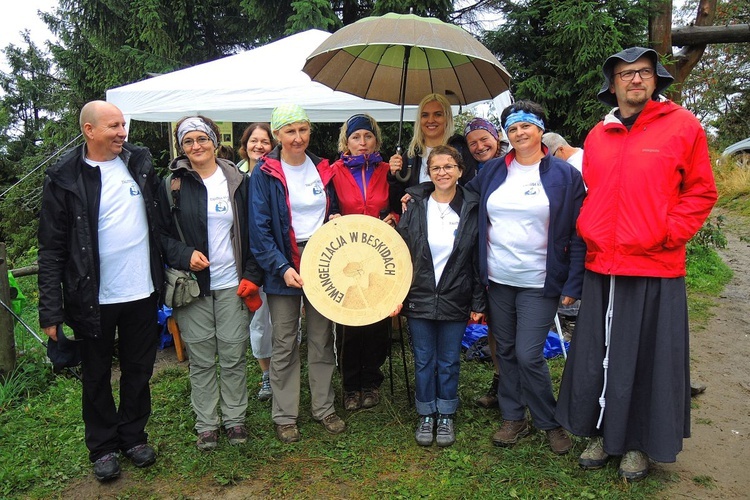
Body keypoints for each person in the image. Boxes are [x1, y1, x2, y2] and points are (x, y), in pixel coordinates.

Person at [555, 47, 718, 481]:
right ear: (612, 85)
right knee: (598, 355)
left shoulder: (682, 127)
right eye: (625, 74)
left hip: (654, 265)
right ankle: (601, 433)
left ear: (656, 79)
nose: (635, 80)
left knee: (647, 358)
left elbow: (701, 192)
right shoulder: (598, 135)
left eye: (643, 73)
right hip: (602, 263)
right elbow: (592, 193)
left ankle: (639, 445)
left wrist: (667, 234)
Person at [37, 100, 162, 482]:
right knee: (96, 375)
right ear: (89, 130)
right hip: (92, 296)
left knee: (139, 370)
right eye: (113, 126)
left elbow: (161, 219)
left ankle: (133, 436)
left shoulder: (137, 163)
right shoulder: (64, 177)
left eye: (123, 124)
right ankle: (103, 446)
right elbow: (51, 249)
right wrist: (51, 311)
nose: (122, 132)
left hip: (141, 290)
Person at [466, 100, 585, 455]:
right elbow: (462, 198)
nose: (519, 133)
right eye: (512, 128)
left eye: (526, 126)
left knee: (529, 353)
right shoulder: (492, 172)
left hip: (540, 280)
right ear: (507, 134)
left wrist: (573, 283)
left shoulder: (564, 175)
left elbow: (579, 233)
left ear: (540, 130)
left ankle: (549, 422)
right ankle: (513, 417)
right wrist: (417, 192)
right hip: (498, 279)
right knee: (504, 350)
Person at [157, 115, 260, 451]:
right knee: (201, 358)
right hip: (193, 285)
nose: (196, 146)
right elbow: (159, 235)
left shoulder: (237, 180)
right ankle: (206, 425)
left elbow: (253, 231)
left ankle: (234, 420)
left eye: (202, 139)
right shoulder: (172, 183)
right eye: (188, 141)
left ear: (215, 141)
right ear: (181, 147)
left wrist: (251, 274)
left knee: (232, 354)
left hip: (232, 283)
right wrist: (185, 254)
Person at [248, 104, 345, 443]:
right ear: (277, 135)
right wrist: (282, 267)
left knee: (322, 338)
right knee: (285, 341)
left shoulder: (322, 167)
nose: (298, 137)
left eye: (303, 130)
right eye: (290, 131)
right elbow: (259, 231)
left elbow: (332, 206)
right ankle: (285, 414)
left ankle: (324, 407)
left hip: (322, 262)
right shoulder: (264, 173)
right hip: (282, 264)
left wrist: (334, 216)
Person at [398, 144, 485, 447]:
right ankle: (425, 413)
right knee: (423, 359)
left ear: (460, 171)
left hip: (455, 295)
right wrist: (396, 294)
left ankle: (446, 414)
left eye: (449, 166)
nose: (443, 172)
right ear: (429, 173)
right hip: (419, 294)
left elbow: (476, 258)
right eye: (436, 167)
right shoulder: (416, 205)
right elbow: (402, 253)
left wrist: (477, 302)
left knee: (448, 361)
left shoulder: (472, 207)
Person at [330, 114, 399, 411]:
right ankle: (349, 385)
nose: (362, 142)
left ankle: (371, 381)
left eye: (367, 137)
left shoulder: (389, 170)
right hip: (346, 255)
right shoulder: (334, 172)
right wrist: (332, 214)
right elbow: (329, 205)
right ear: (346, 141)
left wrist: (394, 216)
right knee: (348, 320)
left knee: (377, 319)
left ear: (376, 140)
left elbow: (399, 204)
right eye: (356, 137)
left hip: (380, 255)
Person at [462, 117, 508, 409]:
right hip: (487, 261)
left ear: (496, 137)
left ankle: (516, 387)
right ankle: (500, 381)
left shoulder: (513, 166)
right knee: (494, 327)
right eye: (473, 143)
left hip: (515, 260)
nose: (480, 147)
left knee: (512, 329)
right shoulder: (474, 176)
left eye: (484, 139)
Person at [237, 123, 276, 401]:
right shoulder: (234, 176)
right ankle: (266, 373)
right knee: (260, 319)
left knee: (283, 319)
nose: (259, 146)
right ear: (245, 144)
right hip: (249, 258)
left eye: (265, 141)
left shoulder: (276, 173)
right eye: (254, 140)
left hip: (275, 255)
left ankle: (283, 371)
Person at [388, 93, 477, 211]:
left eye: (438, 114)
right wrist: (393, 176)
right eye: (425, 115)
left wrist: (420, 191)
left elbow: (472, 193)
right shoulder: (411, 156)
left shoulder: (461, 150)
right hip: (419, 227)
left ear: (447, 118)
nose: (430, 120)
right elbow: (397, 205)